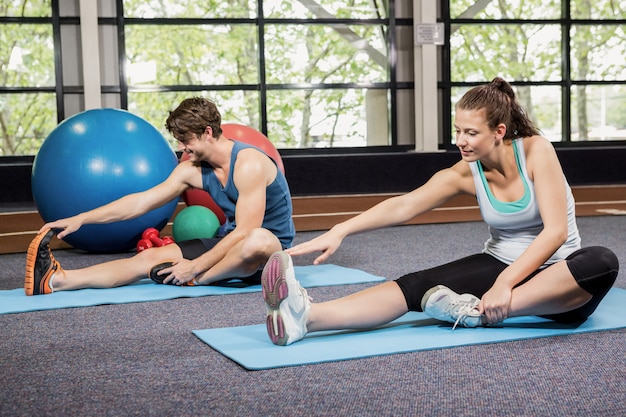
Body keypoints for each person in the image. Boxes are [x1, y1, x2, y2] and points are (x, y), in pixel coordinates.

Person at [259, 77, 619, 346]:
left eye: (471, 132)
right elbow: (406, 204)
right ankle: (306, 318)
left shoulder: (536, 151)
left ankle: (475, 312)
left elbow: (555, 232)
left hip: (559, 278)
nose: (460, 140)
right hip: (499, 262)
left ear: (499, 131)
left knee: (602, 261)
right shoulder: (466, 172)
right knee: (416, 285)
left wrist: (504, 286)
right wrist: (342, 229)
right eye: (458, 130)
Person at [25, 97, 294, 296]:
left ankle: (199, 279)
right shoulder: (191, 169)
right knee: (147, 259)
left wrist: (194, 267)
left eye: (185, 139)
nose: (181, 148)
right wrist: (83, 218)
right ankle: (56, 280)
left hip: (268, 249)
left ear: (208, 133)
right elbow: (140, 202)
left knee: (254, 241)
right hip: (229, 242)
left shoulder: (249, 163)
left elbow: (247, 231)